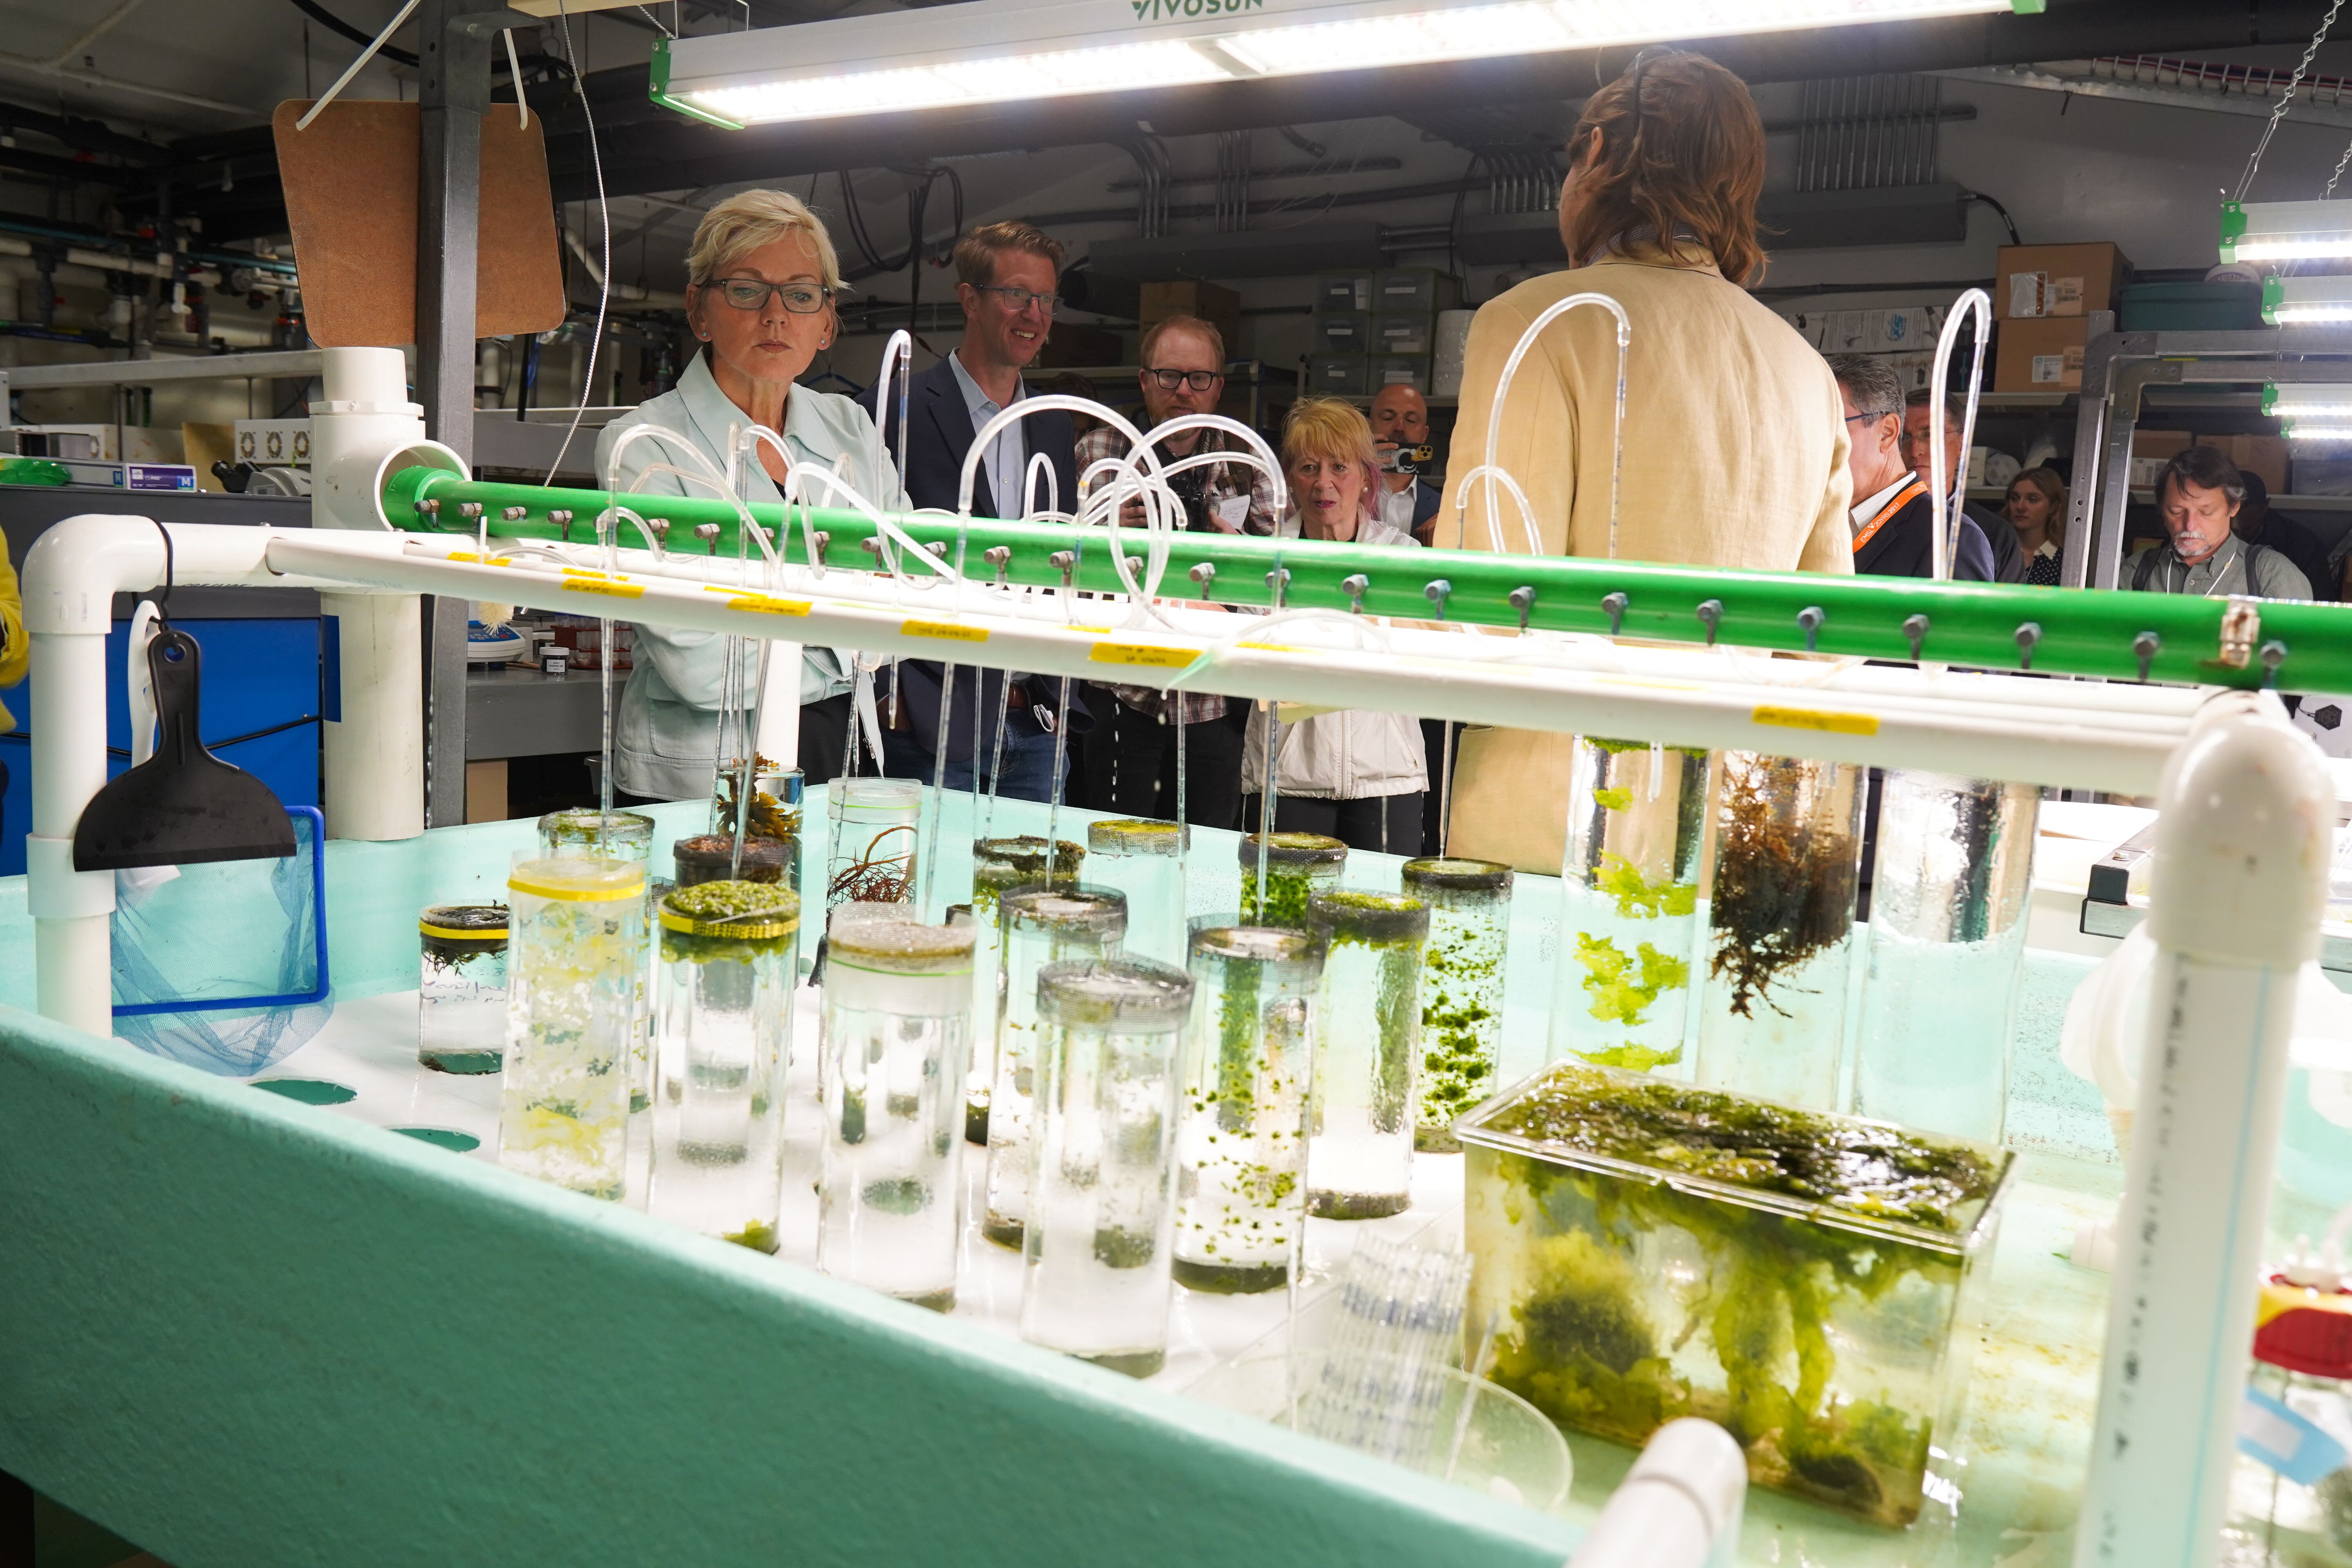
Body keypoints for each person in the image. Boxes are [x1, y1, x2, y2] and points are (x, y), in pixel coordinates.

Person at [1437, 51, 1852, 871]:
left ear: (1595, 155)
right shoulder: (1806, 371)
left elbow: (1488, 598)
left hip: (1552, 824)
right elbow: (1823, 651)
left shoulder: (1535, 323)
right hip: (1724, 833)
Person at [596, 189, 901, 801]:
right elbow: (697, 668)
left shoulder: (851, 428)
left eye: (801, 293)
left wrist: (793, 637)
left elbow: (907, 598)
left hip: (841, 753)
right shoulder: (643, 445)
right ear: (699, 310)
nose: (776, 314)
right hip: (701, 773)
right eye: (746, 289)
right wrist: (845, 647)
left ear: (826, 323)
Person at [881, 221, 1086, 801]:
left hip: (1035, 724)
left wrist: (1060, 696)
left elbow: (1060, 565)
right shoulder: (899, 409)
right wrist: (886, 695)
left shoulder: (1051, 423)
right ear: (969, 299)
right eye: (1016, 294)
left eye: (1045, 299)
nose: (1033, 314)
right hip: (930, 725)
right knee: (920, 887)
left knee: (1032, 893)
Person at [1072, 313, 1272, 829]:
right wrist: (1105, 528)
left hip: (1214, 699)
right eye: (1169, 376)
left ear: (1218, 387)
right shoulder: (1100, 453)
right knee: (1117, 846)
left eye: (1198, 378)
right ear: (1144, 380)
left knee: (1203, 855)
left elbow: (1276, 586)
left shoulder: (1248, 462)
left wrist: (1236, 557)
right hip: (1120, 688)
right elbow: (1060, 570)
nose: (1183, 390)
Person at [1243, 399, 1426, 853]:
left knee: (1381, 918)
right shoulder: (1264, 561)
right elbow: (1247, 657)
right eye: (1308, 467)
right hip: (1287, 777)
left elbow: (1420, 654)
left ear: (1366, 476)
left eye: (1339, 467)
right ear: (1290, 478)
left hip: (1388, 776)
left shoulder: (1400, 556)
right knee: (1281, 917)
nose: (1323, 483)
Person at [1829, 356, 1996, 581]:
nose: (1817, 444)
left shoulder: (1951, 540)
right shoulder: (1818, 522)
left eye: (1833, 426)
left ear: (1887, 433)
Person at [2132, 445, 2313, 599]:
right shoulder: (2134, 573)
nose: (2190, 526)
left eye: (2206, 512)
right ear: (2162, 511)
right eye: (2177, 512)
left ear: (2234, 507)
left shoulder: (2274, 577)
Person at [1902, 389, 2022, 583]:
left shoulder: (1995, 534)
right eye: (1905, 437)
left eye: (1930, 435)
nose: (1916, 450)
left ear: (1962, 445)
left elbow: (2010, 612)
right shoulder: (1872, 520)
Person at [2235, 471, 2334, 602]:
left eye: (2247, 529)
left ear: (2265, 507)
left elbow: (2321, 604)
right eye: (2232, 530)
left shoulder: (2303, 546)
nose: (2238, 538)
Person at [1368, 382, 1443, 544]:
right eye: (1388, 418)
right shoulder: (1344, 494)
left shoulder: (1443, 509)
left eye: (1411, 420)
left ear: (1424, 434)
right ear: (1369, 426)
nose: (1400, 427)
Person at [2003, 466, 2067, 586]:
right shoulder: (1998, 551)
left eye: (2032, 500)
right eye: (2015, 498)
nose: (2020, 507)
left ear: (2053, 506)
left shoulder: (2065, 561)